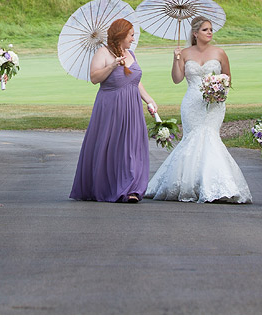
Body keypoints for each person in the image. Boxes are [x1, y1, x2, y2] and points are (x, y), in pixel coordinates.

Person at [145, 17, 252, 203]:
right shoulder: (185, 53)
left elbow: (228, 79)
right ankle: (189, 184)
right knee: (192, 139)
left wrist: (218, 90)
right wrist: (176, 58)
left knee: (210, 138)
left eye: (211, 29)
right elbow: (177, 79)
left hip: (214, 105)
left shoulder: (220, 53)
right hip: (192, 103)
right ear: (195, 33)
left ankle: (216, 186)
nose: (210, 32)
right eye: (205, 30)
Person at [70, 18, 158, 203]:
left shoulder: (131, 53)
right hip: (111, 107)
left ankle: (132, 188)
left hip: (132, 107)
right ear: (121, 35)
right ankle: (111, 186)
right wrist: (111, 66)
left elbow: (135, 81)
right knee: (113, 147)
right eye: (131, 35)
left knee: (132, 147)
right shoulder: (103, 52)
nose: (133, 39)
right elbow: (94, 78)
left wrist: (149, 99)